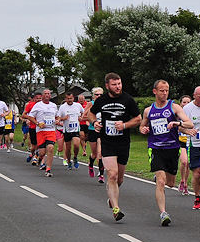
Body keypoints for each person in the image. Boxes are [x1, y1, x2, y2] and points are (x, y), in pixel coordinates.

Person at [140, 80, 193, 226]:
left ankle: (160, 179)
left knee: (170, 183)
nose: (165, 93)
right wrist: (143, 130)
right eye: (162, 90)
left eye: (167, 91)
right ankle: (163, 213)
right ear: (155, 91)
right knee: (161, 182)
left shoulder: (174, 107)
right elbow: (142, 126)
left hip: (172, 148)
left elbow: (190, 123)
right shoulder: (148, 111)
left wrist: (178, 123)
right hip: (155, 148)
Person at [88, 73, 141, 221]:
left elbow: (138, 119)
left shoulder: (128, 99)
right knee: (112, 174)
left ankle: (111, 198)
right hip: (107, 142)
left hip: (123, 143)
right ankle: (116, 209)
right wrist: (94, 123)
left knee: (120, 179)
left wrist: (124, 125)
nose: (118, 87)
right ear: (107, 86)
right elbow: (91, 115)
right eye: (114, 84)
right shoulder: (102, 100)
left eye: (119, 84)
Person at [25, 89, 59, 177]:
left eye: (48, 94)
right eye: (45, 93)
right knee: (42, 152)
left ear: (50, 96)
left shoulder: (54, 106)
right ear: (42, 96)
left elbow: (57, 116)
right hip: (41, 131)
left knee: (50, 148)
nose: (47, 95)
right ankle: (39, 158)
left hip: (51, 130)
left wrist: (57, 120)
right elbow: (30, 117)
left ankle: (48, 169)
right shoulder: (38, 105)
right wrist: (37, 123)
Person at [57, 92, 84, 169]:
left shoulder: (78, 105)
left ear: (73, 98)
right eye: (68, 99)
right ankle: (69, 161)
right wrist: (63, 118)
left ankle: (75, 157)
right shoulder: (62, 107)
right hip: (67, 130)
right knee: (68, 148)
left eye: (71, 98)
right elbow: (58, 118)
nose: (69, 100)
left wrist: (81, 117)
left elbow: (83, 112)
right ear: (65, 99)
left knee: (76, 144)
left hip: (75, 129)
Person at [83, 87, 105, 181]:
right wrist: (92, 118)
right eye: (97, 94)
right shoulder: (90, 104)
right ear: (93, 96)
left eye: (100, 95)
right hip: (92, 130)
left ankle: (101, 175)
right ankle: (91, 164)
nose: (99, 96)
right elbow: (83, 117)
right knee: (94, 154)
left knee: (100, 154)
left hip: (102, 131)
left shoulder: (105, 104)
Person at [176, 95, 192, 195]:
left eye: (188, 103)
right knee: (184, 162)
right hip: (180, 142)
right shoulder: (177, 115)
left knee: (188, 164)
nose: (186, 104)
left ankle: (185, 183)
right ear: (180, 104)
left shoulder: (192, 114)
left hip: (190, 141)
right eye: (184, 102)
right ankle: (182, 180)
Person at [22, 91, 42, 164]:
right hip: (33, 127)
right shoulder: (30, 105)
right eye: (37, 98)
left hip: (41, 128)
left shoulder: (45, 106)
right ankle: (32, 154)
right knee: (33, 146)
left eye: (40, 98)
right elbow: (23, 115)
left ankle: (36, 157)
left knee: (40, 144)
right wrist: (29, 118)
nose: (39, 100)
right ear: (34, 99)